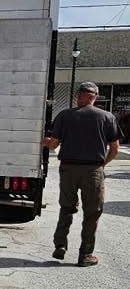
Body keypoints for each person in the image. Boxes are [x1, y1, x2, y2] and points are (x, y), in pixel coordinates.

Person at [43, 81, 122, 266]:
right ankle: (85, 255)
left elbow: (54, 144)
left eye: (79, 94)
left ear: (82, 96)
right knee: (92, 212)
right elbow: (115, 148)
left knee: (66, 208)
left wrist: (45, 142)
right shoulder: (107, 117)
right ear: (94, 97)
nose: (78, 97)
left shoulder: (65, 115)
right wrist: (102, 165)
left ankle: (60, 244)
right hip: (92, 170)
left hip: (68, 168)